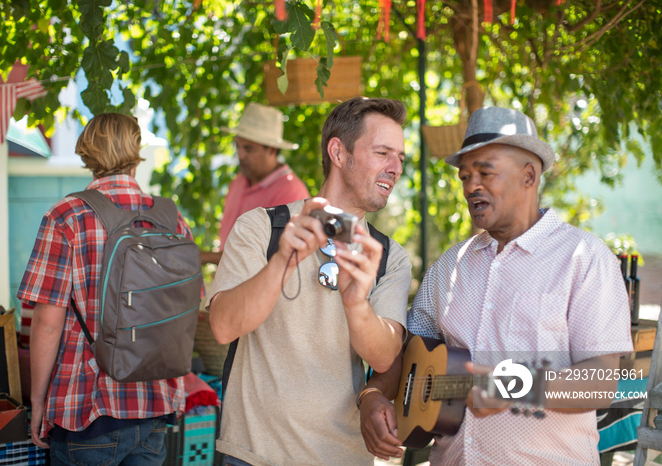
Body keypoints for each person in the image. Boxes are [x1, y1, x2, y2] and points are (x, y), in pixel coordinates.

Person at [359, 106, 634, 465]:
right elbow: (404, 347)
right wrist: (373, 395)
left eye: (485, 172)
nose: (472, 186)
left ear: (529, 176)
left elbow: (599, 382)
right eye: (465, 176)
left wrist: (507, 386)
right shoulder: (450, 266)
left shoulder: (583, 257)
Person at [207, 97, 413, 465]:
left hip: (342, 457)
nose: (395, 168)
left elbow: (384, 356)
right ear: (338, 152)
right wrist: (283, 261)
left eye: (400, 157)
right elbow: (222, 327)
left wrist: (356, 303)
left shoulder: (389, 256)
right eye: (383, 153)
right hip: (252, 455)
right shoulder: (261, 227)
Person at [18, 113, 197, 465]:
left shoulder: (67, 216)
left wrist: (38, 401)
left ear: (87, 153)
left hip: (88, 408)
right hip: (155, 403)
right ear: (136, 151)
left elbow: (48, 322)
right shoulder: (171, 218)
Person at [201, 103, 310, 264]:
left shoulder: (291, 193)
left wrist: (203, 257)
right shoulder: (240, 179)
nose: (240, 155)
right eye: (237, 146)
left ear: (272, 150)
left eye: (249, 149)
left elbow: (271, 258)